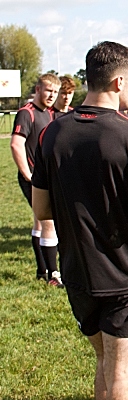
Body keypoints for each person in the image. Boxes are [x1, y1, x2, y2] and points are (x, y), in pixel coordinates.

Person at [31, 41, 128, 400]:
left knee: (104, 365)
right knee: (120, 378)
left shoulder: (52, 133)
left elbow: (41, 209)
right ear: (119, 82)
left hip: (77, 272)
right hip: (125, 274)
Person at [10, 73, 62, 286]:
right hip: (34, 178)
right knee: (49, 220)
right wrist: (27, 175)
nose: (52, 95)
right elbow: (16, 144)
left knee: (40, 223)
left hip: (45, 177)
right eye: (49, 90)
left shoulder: (49, 114)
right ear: (38, 89)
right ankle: (54, 275)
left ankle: (42, 270)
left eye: (55, 92)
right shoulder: (26, 113)